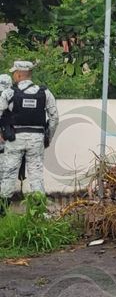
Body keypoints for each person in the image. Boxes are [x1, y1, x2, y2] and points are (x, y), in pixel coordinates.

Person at [0, 61, 59, 213]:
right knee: (36, 175)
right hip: (37, 139)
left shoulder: (9, 93)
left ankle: (2, 213)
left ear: (19, 74)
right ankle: (38, 212)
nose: (13, 76)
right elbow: (54, 118)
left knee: (8, 174)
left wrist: (2, 133)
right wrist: (47, 138)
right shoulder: (45, 92)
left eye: (14, 73)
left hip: (15, 139)